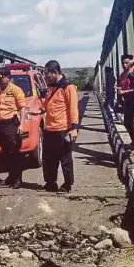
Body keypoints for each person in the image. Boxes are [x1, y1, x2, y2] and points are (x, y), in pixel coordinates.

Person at [42, 59, 79, 194]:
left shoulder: (68, 87)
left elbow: (73, 108)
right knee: (48, 158)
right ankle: (50, 182)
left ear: (55, 72)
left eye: (47, 74)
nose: (45, 76)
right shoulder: (50, 87)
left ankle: (67, 184)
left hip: (63, 129)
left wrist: (74, 128)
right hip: (49, 129)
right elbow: (46, 105)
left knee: (65, 159)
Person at [0, 68, 26, 189]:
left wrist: (22, 125)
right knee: (6, 154)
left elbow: (22, 108)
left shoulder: (16, 90)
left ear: (8, 77)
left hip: (11, 124)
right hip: (1, 125)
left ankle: (18, 179)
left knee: (14, 152)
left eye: (1, 78)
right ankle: (10, 176)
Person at [117, 54, 134, 140]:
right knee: (127, 123)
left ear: (131, 63)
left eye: (127, 63)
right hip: (126, 101)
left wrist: (124, 91)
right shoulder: (122, 75)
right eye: (123, 63)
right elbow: (122, 86)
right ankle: (133, 142)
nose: (124, 65)